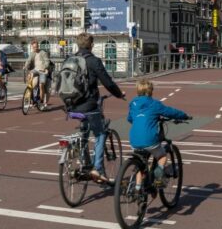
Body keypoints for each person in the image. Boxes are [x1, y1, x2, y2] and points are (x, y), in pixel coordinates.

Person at [68, 32, 125, 183]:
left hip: (72, 105)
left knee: (84, 134)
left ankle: (84, 162)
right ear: (91, 45)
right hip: (89, 105)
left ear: (78, 45)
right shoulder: (94, 61)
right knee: (100, 134)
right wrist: (119, 94)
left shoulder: (70, 59)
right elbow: (107, 82)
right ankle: (97, 168)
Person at [127, 79, 190, 186]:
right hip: (149, 140)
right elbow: (170, 112)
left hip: (134, 140)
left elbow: (130, 119)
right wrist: (184, 115)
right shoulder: (154, 104)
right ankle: (159, 171)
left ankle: (137, 189)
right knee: (162, 156)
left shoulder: (133, 103)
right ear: (150, 91)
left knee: (139, 165)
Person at [23, 39, 51, 106]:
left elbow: (47, 61)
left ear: (38, 46)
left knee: (41, 85)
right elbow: (28, 61)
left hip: (42, 71)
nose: (35, 48)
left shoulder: (43, 53)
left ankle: (41, 101)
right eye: (34, 47)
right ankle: (30, 95)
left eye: (36, 47)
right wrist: (25, 66)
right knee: (32, 82)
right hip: (35, 70)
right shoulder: (32, 53)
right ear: (32, 47)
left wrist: (44, 68)